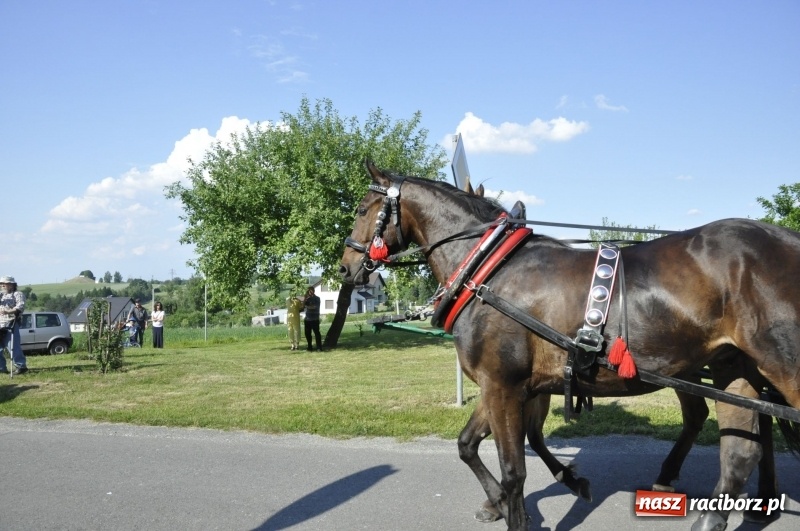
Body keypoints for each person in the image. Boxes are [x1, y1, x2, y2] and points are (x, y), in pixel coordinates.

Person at [0, 275, 28, 374]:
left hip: (11, 321)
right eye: (1, 284)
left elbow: (20, 306)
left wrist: (8, 311)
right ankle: (1, 368)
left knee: (12, 345)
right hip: (0, 323)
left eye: (5, 284)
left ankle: (21, 366)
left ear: (12, 285)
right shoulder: (1, 295)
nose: (3, 285)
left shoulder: (17, 294)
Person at [303, 287, 323, 352]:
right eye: (309, 291)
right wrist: (305, 299)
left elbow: (314, 307)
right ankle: (309, 347)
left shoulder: (317, 298)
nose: (310, 292)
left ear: (314, 291)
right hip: (307, 319)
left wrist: (306, 306)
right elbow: (302, 306)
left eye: (311, 291)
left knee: (317, 333)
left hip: (315, 318)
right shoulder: (307, 299)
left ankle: (319, 347)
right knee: (307, 334)